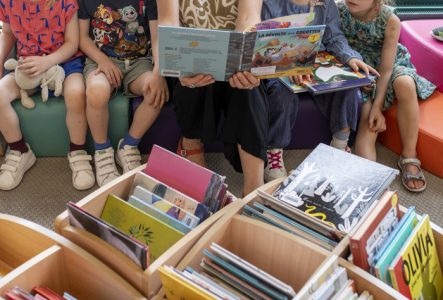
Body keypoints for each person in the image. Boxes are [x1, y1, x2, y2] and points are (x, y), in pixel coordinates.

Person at [157, 0, 268, 196]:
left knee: (248, 88)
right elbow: (169, 23)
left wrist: (244, 62)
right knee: (197, 77)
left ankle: (254, 187)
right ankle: (191, 144)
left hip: (232, 55)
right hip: (188, 56)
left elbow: (249, 19)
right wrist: (179, 67)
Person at [260, 0, 378, 182]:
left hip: (318, 62)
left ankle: (339, 146)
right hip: (280, 66)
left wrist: (350, 57)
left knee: (346, 88)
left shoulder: (325, 4)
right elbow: (264, 43)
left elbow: (334, 38)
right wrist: (291, 64)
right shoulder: (270, 4)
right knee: (280, 93)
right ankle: (274, 154)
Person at [338, 0, 436, 192]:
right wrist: (360, 80)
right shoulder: (339, 12)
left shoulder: (390, 19)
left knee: (405, 83)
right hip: (360, 69)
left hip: (389, 66)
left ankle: (409, 154)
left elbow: (387, 68)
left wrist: (378, 106)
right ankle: (369, 187)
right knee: (368, 126)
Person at [0, 0, 95, 191]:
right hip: (27, 67)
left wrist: (47, 62)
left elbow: (72, 43)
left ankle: (78, 151)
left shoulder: (66, 2)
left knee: (76, 93)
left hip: (65, 63)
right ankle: (20, 150)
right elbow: (8, 33)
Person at [78, 0, 169, 187]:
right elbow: (82, 38)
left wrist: (158, 72)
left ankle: (128, 145)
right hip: (101, 60)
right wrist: (102, 60)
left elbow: (158, 35)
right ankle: (102, 150)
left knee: (156, 92)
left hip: (139, 62)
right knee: (96, 91)